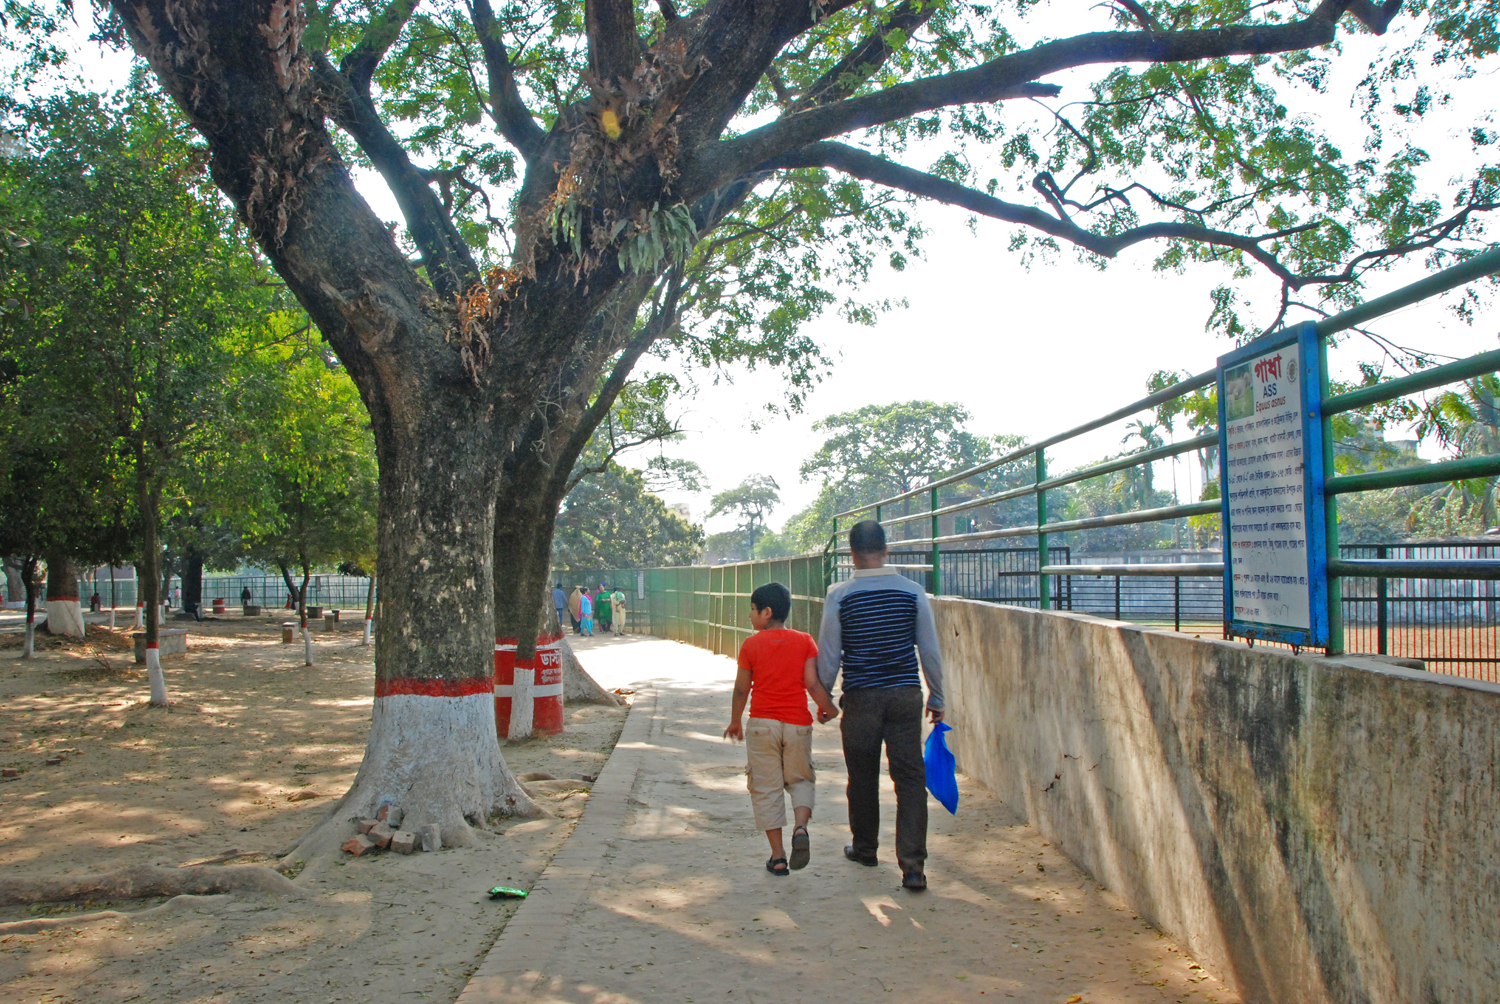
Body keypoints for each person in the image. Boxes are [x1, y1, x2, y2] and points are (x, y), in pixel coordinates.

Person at [817, 519, 945, 892]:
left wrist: (824, 698)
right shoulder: (912, 592)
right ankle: (913, 866)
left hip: (861, 698)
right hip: (905, 696)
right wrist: (938, 696)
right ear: (886, 550)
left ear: (852, 555)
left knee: (862, 777)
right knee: (909, 779)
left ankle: (865, 847)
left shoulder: (839, 595)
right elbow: (929, 650)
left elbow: (829, 654)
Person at [724, 582, 838, 876]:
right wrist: (829, 708)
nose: (749, 616)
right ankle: (801, 827)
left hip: (763, 725)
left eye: (752, 610)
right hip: (797, 723)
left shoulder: (751, 645)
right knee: (801, 779)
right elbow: (812, 683)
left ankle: (777, 857)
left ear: (767, 612)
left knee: (765, 788)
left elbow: (741, 689)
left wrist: (736, 721)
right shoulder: (805, 641)